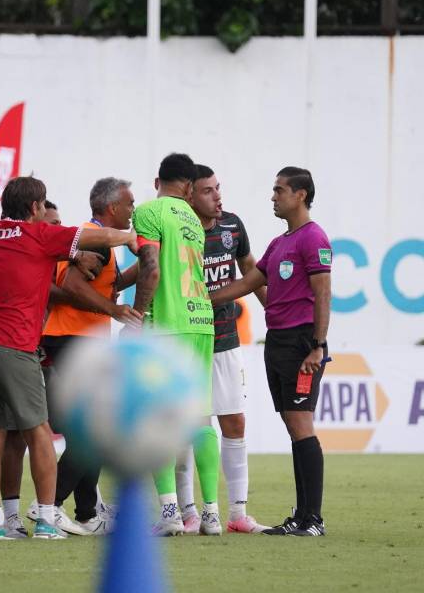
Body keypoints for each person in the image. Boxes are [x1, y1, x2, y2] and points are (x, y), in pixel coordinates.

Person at [0, 176, 138, 540]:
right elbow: (100, 236)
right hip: (13, 345)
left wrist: (72, 254)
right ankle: (46, 519)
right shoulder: (40, 237)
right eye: (44, 209)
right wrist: (132, 238)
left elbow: (34, 262)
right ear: (37, 208)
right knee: (38, 432)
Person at [15, 177, 141, 536]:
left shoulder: (96, 240)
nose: (133, 210)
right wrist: (113, 312)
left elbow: (105, 285)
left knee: (87, 434)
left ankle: (86, 512)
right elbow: (70, 285)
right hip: (73, 341)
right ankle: (47, 506)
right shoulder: (95, 240)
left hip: (74, 340)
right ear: (113, 207)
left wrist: (149, 261)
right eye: (129, 204)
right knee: (94, 435)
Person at [210, 166, 332, 537]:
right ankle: (302, 514)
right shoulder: (281, 243)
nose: (273, 196)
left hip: (301, 342)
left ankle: (313, 519)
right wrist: (203, 297)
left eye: (279, 190)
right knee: (293, 426)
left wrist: (318, 345)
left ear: (301, 194)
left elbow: (323, 292)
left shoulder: (314, 238)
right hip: (277, 341)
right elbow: (250, 281)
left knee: (301, 424)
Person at [130, 153, 220, 536]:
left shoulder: (149, 212)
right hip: (201, 321)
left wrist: (137, 315)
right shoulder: (194, 222)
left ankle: (169, 512)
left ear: (158, 181)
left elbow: (152, 269)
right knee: (200, 417)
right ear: (187, 186)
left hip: (166, 326)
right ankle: (212, 514)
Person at [176, 164, 268, 534]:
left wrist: (273, 312)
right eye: (208, 191)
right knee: (184, 428)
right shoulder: (177, 229)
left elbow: (250, 269)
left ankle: (238, 514)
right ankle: (188, 512)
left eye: (218, 189)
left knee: (234, 421)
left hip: (225, 339)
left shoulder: (232, 226)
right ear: (189, 195)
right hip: (185, 341)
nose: (217, 197)